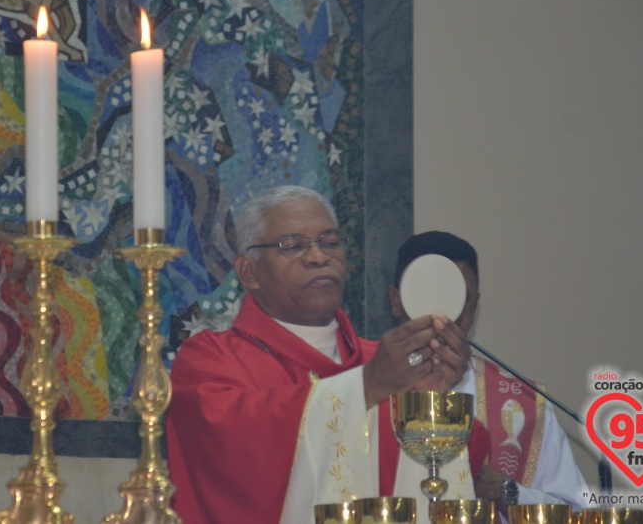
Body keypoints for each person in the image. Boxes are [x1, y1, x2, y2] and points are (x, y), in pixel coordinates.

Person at [166, 186, 476, 524]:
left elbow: (466, 469)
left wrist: (436, 399)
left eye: (330, 243)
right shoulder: (211, 358)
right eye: (293, 245)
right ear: (249, 272)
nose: (317, 256)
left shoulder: (388, 363)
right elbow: (231, 450)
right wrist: (365, 388)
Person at [388, 231, 590, 517]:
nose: (443, 317)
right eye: (427, 296)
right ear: (396, 301)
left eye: (459, 299)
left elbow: (582, 515)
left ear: (475, 303)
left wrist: (508, 492)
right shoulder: (365, 393)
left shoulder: (525, 407)